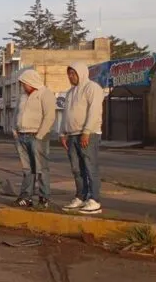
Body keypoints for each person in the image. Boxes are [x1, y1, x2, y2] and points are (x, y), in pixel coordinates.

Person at [60, 62, 105, 214]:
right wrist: (63, 132)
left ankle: (95, 200)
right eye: (69, 74)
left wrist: (86, 131)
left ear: (81, 73)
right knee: (76, 168)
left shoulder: (92, 88)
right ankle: (81, 196)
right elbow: (66, 114)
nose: (70, 76)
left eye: (73, 73)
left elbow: (94, 111)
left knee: (90, 167)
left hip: (88, 134)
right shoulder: (70, 92)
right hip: (72, 135)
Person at [13, 68, 56, 209]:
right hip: (22, 135)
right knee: (27, 169)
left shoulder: (45, 93)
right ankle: (26, 197)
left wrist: (40, 135)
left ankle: (44, 198)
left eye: (24, 83)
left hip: (37, 136)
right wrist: (15, 129)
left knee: (41, 168)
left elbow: (49, 116)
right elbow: (16, 113)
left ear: (30, 81)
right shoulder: (23, 96)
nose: (22, 86)